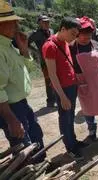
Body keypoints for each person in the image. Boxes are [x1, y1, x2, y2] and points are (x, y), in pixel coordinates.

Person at [0, 1, 45, 162]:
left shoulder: (9, 45)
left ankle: (41, 167)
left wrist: (24, 49)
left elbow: (27, 68)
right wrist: (11, 119)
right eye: (12, 22)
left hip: (21, 103)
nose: (16, 25)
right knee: (23, 145)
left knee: (36, 135)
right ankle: (30, 172)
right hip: (11, 108)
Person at [42, 17, 87, 160]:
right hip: (63, 90)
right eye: (73, 33)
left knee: (71, 116)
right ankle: (70, 148)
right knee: (65, 118)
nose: (74, 37)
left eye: (76, 34)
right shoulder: (50, 46)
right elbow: (52, 74)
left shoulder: (65, 42)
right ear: (62, 29)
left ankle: (73, 141)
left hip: (71, 86)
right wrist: (62, 96)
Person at [28, 15, 56, 107]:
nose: (47, 23)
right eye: (44, 22)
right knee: (48, 80)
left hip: (55, 59)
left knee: (56, 78)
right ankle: (50, 102)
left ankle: (56, 98)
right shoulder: (36, 33)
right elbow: (26, 43)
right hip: (44, 61)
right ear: (39, 23)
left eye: (48, 21)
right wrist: (36, 51)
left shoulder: (51, 31)